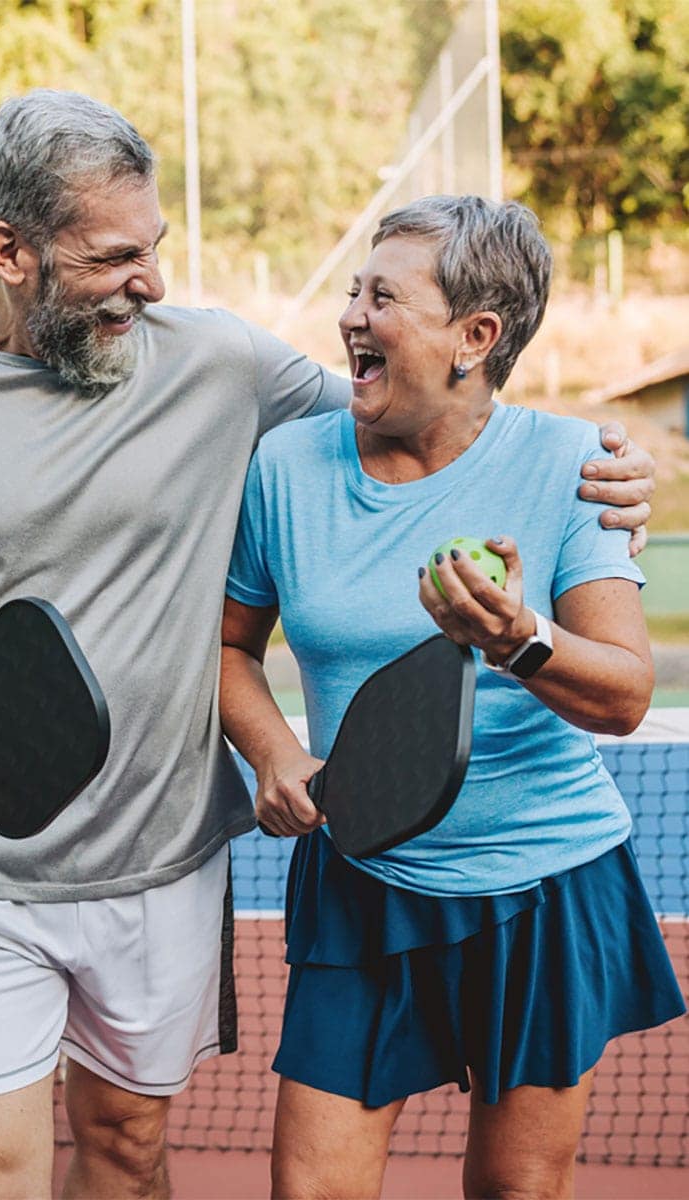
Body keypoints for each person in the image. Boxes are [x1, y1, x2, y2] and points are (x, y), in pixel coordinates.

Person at [0, 89, 654, 1200]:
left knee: (142, 1158)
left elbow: (451, 417)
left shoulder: (227, 366)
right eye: (114, 257)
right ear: (9, 251)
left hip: (194, 869)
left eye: (154, 251)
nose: (149, 284)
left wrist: (610, 482)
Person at [219, 194, 685, 1200]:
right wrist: (271, 752)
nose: (350, 315)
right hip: (360, 876)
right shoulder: (285, 467)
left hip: (544, 885)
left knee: (516, 1190)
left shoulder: (574, 467)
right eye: (353, 290)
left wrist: (517, 640)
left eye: (382, 296)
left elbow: (623, 695)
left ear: (475, 336)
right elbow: (227, 647)